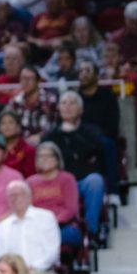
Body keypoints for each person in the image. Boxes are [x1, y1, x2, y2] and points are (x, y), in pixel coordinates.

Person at [40, 91, 108, 240]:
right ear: (58, 108)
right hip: (59, 183)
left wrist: (73, 133)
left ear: (81, 109)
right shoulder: (50, 134)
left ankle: (91, 232)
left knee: (96, 180)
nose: (68, 106)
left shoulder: (91, 131)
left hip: (82, 181)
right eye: (64, 103)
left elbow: (94, 151)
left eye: (72, 103)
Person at [0, 181, 62, 274]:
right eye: (12, 195)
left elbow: (52, 254)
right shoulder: (2, 226)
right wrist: (14, 272)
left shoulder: (46, 217)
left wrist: (28, 270)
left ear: (29, 196)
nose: (15, 198)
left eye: (19, 194)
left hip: (44, 272)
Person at [26, 142, 83, 247]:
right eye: (40, 156)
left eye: (48, 155)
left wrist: (52, 223)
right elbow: (27, 208)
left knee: (70, 234)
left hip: (63, 226)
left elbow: (71, 209)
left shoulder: (67, 179)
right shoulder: (30, 182)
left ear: (57, 159)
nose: (44, 159)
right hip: (37, 227)